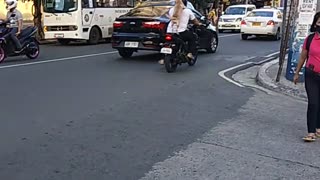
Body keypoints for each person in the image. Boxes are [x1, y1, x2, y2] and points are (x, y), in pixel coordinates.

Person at [294, 12, 320, 142]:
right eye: (319, 21)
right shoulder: (310, 39)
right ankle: (311, 132)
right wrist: (297, 72)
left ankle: (318, 127)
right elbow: (303, 56)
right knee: (313, 102)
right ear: (315, 23)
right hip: (311, 75)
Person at [159, 0, 201, 65]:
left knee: (166, 43)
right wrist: (199, 24)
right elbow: (195, 21)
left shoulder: (171, 10)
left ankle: (163, 58)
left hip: (170, 32)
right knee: (193, 37)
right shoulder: (188, 11)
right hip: (181, 33)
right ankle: (190, 53)